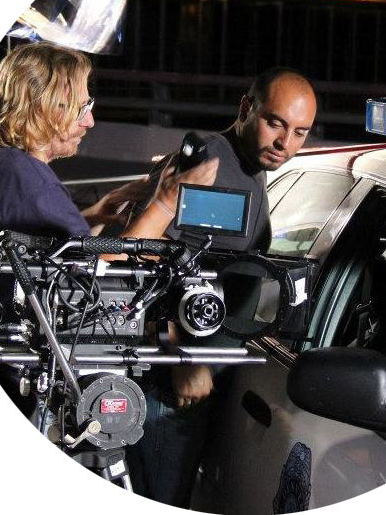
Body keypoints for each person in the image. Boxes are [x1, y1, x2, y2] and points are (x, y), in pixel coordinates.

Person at [126, 67, 317, 508]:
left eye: (300, 132)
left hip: (201, 379)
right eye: (275, 123)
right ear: (246, 107)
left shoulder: (250, 163)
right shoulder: (212, 164)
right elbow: (151, 261)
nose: (285, 143)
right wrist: (182, 355)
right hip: (172, 387)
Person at [0, 42, 218, 241]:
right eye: (80, 109)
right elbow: (92, 278)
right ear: (41, 110)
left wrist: (93, 216)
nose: (89, 121)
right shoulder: (28, 179)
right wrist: (166, 203)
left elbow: (48, 246)